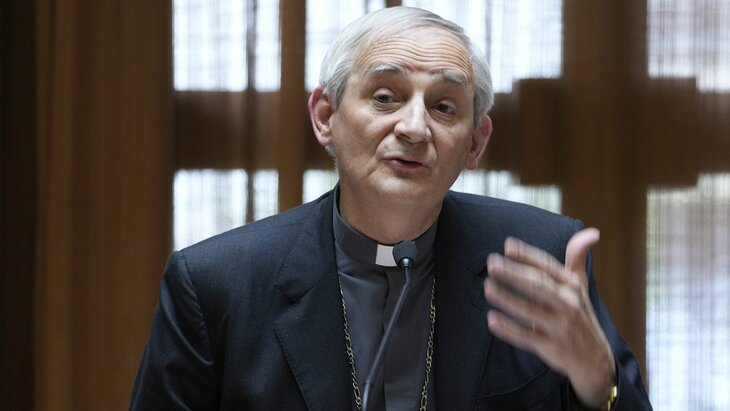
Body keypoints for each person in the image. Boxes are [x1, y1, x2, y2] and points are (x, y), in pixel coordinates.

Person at [131, 6, 651, 410]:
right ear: (325, 116)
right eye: (385, 97)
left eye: (443, 107)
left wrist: (596, 380)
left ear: (475, 143)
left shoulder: (542, 257)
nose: (414, 127)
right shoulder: (216, 285)